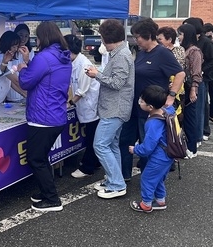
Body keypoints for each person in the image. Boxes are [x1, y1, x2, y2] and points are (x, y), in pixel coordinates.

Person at [119, 18, 185, 181]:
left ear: (148, 35)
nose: (136, 40)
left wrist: (171, 96)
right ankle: (124, 175)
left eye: (137, 37)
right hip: (135, 106)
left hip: (150, 109)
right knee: (125, 140)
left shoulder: (163, 53)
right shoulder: (141, 54)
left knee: (147, 144)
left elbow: (180, 73)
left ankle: (151, 182)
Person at [17, 22, 72, 212]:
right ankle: (46, 190)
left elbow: (25, 81)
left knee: (36, 159)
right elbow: (44, 75)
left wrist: (24, 66)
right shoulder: (62, 56)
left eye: (37, 37)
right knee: (42, 156)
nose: (36, 40)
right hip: (55, 114)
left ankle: (52, 199)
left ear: (44, 37)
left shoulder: (44, 57)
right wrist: (29, 61)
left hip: (43, 117)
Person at [84, 19, 134, 199]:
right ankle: (114, 179)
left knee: (100, 144)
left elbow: (117, 83)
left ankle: (117, 184)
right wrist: (99, 73)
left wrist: (97, 75)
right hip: (114, 108)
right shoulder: (120, 53)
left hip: (114, 109)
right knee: (111, 145)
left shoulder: (121, 56)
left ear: (106, 38)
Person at [128, 85, 175, 213]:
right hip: (169, 153)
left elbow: (148, 146)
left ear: (150, 107)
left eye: (142, 101)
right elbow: (171, 106)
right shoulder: (168, 111)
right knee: (158, 177)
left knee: (147, 178)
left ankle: (146, 204)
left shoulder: (153, 123)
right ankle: (160, 201)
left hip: (160, 155)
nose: (139, 101)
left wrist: (136, 149)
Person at [64, 34, 101, 178]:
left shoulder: (84, 64)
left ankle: (88, 167)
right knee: (90, 136)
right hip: (84, 106)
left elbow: (82, 91)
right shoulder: (73, 63)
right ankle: (95, 161)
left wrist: (70, 103)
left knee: (91, 137)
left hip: (90, 106)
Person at [182, 17, 213, 144]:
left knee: (200, 108)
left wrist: (202, 70)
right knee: (193, 110)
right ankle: (195, 134)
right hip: (189, 80)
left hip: (200, 79)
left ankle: (202, 132)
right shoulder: (189, 42)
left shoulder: (205, 42)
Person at [177, 24, 203, 158]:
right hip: (183, 88)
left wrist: (194, 89)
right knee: (184, 118)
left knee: (190, 118)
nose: (179, 37)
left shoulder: (194, 51)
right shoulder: (184, 49)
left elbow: (196, 72)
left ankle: (192, 148)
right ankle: (186, 146)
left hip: (190, 88)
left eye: (180, 34)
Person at [6, 23, 35, 103]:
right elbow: (9, 74)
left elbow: (32, 70)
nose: (23, 38)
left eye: (26, 36)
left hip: (25, 91)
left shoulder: (30, 51)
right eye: (21, 35)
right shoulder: (10, 51)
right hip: (11, 92)